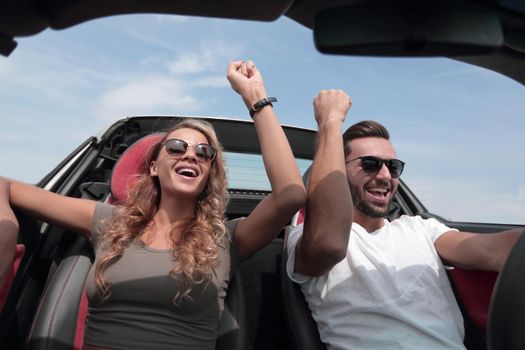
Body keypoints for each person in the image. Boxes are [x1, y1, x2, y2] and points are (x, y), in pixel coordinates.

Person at [0, 60, 305, 350]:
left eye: (203, 152)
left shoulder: (225, 239)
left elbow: (290, 196)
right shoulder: (109, 220)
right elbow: (6, 186)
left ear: (210, 172)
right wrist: (8, 230)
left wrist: (255, 96)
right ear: (154, 167)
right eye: (176, 147)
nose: (190, 155)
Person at [286, 89, 523, 350]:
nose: (386, 176)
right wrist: (330, 121)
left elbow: (495, 250)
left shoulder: (421, 229)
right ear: (339, 171)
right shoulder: (306, 235)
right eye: (370, 164)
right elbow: (327, 244)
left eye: (393, 166)